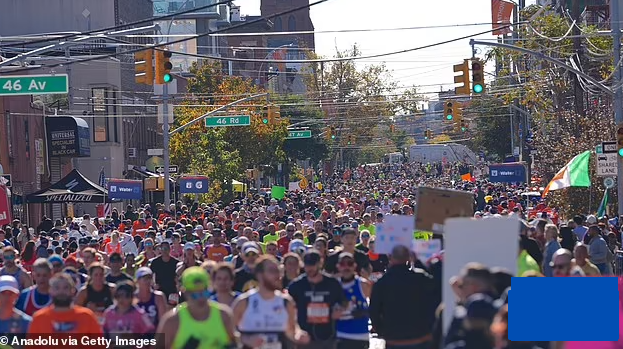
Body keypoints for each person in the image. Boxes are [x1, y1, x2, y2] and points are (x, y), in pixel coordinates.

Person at [233, 255, 310, 349]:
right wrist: (246, 339)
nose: (277, 275)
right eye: (272, 271)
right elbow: (229, 332)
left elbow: (292, 331)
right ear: (259, 275)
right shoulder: (244, 302)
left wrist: (299, 335)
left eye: (278, 271)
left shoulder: (286, 302)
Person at [369, 245, 437, 349]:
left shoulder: (382, 283)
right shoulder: (421, 278)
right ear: (409, 257)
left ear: (390, 258)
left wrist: (382, 332)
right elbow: (434, 295)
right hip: (420, 335)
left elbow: (374, 310)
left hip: (394, 338)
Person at [157, 266, 237, 349]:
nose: (201, 298)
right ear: (185, 292)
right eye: (195, 294)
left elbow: (234, 344)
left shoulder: (224, 315)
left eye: (204, 292)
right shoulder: (173, 321)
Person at [288, 249, 347, 349]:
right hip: (304, 337)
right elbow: (287, 306)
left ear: (320, 263)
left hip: (327, 336)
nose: (309, 268)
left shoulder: (332, 283)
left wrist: (339, 309)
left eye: (312, 265)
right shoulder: (296, 285)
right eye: (307, 265)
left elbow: (344, 301)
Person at [28, 272, 103, 334]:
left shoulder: (86, 316)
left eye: (66, 287)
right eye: (57, 288)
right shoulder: (40, 318)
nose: (61, 292)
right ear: (50, 291)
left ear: (73, 291)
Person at [336, 252, 372, 349]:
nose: (346, 267)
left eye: (350, 263)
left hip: (360, 336)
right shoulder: (334, 286)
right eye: (343, 264)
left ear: (354, 266)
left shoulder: (363, 285)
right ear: (338, 266)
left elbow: (377, 305)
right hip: (340, 335)